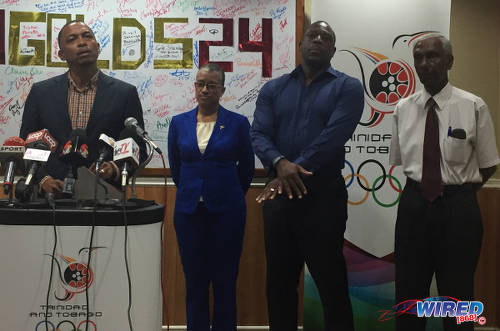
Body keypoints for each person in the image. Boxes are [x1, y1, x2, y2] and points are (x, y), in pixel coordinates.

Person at [250, 21, 364, 331]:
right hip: (279, 198)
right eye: (312, 36)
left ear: (333, 49)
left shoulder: (348, 87)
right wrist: (279, 161)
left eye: (326, 37)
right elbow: (258, 133)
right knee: (279, 284)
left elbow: (333, 137)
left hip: (323, 197)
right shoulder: (274, 89)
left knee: (332, 284)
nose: (318, 41)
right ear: (300, 45)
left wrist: (288, 168)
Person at [389, 35, 499, 331]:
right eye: (419, 57)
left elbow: (488, 164)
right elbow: (400, 160)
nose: (425, 63)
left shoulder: (473, 105)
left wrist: (457, 193)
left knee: (458, 294)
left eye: (433, 56)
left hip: (458, 210)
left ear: (449, 61)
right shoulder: (402, 109)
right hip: (413, 208)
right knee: (409, 294)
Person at [167, 63, 254, 331]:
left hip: (227, 213)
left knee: (225, 280)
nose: (204, 89)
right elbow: (177, 167)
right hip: (189, 213)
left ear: (222, 90)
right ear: (194, 86)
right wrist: (194, 192)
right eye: (200, 84)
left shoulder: (238, 123)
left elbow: (247, 169)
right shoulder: (178, 122)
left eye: (211, 85)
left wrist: (226, 195)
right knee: (194, 281)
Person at [20, 20, 145, 193]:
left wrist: (114, 169)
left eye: (87, 36)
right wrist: (43, 179)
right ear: (61, 54)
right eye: (72, 39)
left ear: (98, 47)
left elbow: (138, 148)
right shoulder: (41, 93)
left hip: (104, 196)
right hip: (51, 199)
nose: (82, 42)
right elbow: (26, 145)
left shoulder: (125, 93)